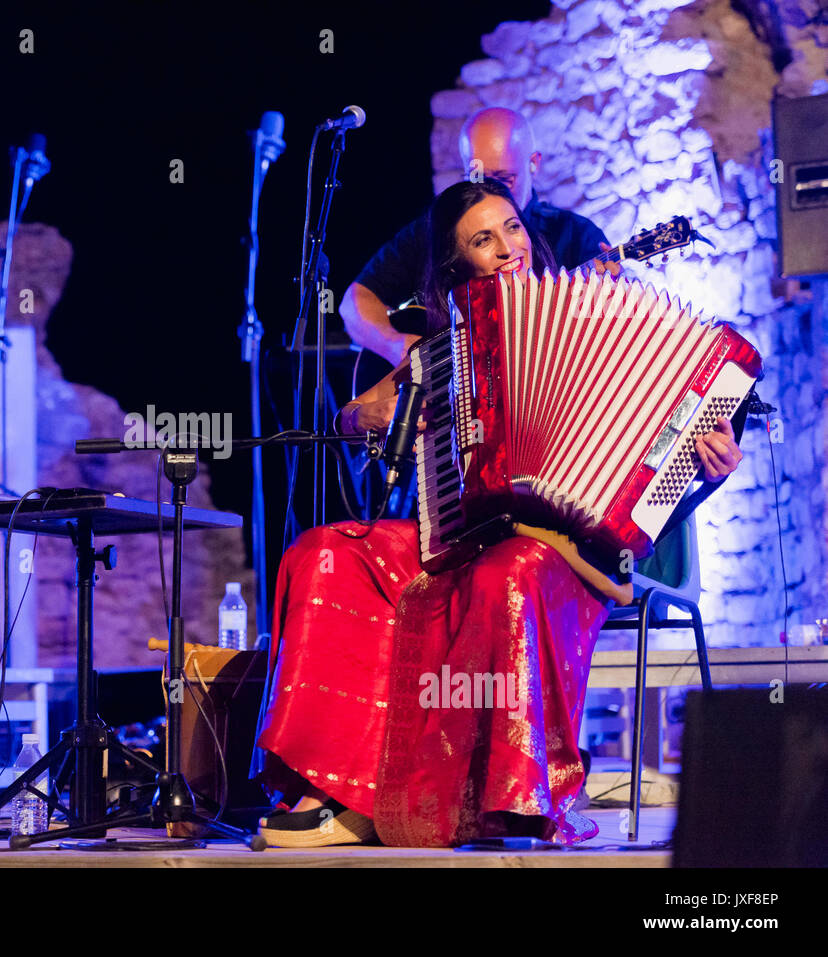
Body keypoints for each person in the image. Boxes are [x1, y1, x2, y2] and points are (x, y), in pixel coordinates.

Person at [255, 178, 744, 848]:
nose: (508, 247)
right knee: (325, 552)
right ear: (459, 264)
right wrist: (366, 412)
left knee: (507, 572)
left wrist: (704, 463)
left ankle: (504, 803)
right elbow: (358, 415)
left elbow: (668, 451)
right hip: (459, 535)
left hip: (577, 553)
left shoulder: (600, 317)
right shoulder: (442, 344)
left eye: (511, 228)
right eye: (483, 240)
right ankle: (342, 791)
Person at [341, 106, 615, 371]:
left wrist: (611, 296)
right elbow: (355, 302)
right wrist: (397, 348)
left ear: (533, 163)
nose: (490, 190)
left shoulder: (576, 235)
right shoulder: (436, 229)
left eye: (504, 179)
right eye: (478, 178)